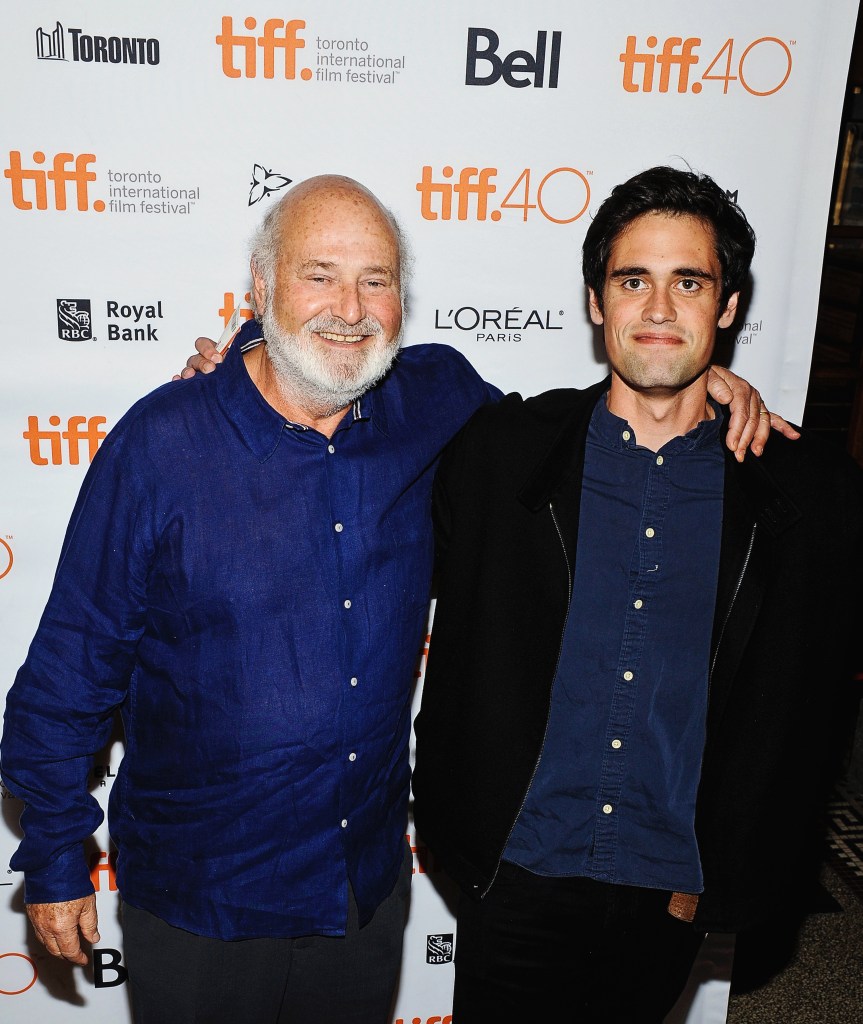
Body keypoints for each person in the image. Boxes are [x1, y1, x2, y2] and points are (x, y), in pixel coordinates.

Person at [1, 172, 782, 1024]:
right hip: (204, 899)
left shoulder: (435, 401)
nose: (350, 306)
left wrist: (702, 384)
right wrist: (53, 859)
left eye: (376, 279)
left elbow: (566, 437)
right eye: (319, 274)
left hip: (359, 895)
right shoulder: (162, 445)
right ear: (260, 290)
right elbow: (70, 670)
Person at [410, 165, 863, 1023]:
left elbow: (808, 711)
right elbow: (370, 388)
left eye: (687, 282)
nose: (658, 309)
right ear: (595, 301)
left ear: (725, 308)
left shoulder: (805, 496)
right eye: (632, 280)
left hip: (672, 886)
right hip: (519, 865)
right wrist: (249, 355)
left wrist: (732, 864)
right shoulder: (503, 454)